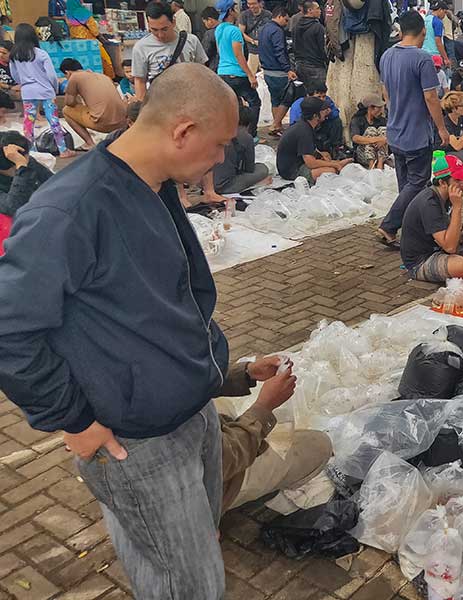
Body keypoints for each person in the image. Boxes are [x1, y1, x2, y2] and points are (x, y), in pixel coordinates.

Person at [0, 63, 241, 599]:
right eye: (220, 143)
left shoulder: (152, 184)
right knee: (190, 585)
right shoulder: (73, 207)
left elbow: (162, 300)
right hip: (135, 437)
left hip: (187, 412)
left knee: (173, 562)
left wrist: (221, 369)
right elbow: (9, 328)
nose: (223, 158)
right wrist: (71, 418)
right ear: (182, 132)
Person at [215, 355, 332, 513]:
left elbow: (191, 380)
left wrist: (247, 372)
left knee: (221, 404)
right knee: (318, 445)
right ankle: (211, 512)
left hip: (206, 445)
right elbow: (221, 457)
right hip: (206, 480)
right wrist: (262, 408)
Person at [377, 11, 450, 248]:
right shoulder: (422, 59)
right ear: (423, 32)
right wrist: (442, 128)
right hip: (416, 134)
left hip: (395, 130)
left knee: (405, 185)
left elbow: (386, 93)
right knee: (417, 183)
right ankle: (389, 226)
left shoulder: (387, 55)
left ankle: (412, 230)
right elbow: (431, 97)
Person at [401, 151, 463, 282]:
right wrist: (458, 207)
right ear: (442, 183)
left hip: (442, 247)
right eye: (458, 180)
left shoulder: (447, 194)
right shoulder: (429, 203)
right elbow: (450, 247)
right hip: (422, 261)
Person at [10, 25, 71, 158]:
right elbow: (51, 75)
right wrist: (54, 88)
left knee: (28, 121)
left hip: (27, 91)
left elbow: (14, 75)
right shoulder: (41, 53)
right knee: (53, 120)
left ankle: (31, 151)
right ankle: (63, 150)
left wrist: (24, 83)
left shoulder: (14, 55)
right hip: (45, 90)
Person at [133, 1, 208, 100]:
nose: (160, 35)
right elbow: (139, 81)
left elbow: (202, 72)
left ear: (173, 22)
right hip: (160, 104)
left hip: (191, 101)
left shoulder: (191, 41)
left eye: (164, 29)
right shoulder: (141, 47)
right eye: (154, 30)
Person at [213, 0, 261, 138]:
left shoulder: (219, 29)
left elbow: (220, 52)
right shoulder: (235, 31)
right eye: (235, 7)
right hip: (237, 74)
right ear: (231, 11)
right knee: (255, 102)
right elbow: (238, 54)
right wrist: (250, 74)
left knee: (232, 105)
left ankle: (231, 134)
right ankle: (251, 135)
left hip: (222, 73)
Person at [276, 96, 352, 182]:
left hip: (299, 162)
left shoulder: (305, 125)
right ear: (315, 115)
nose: (327, 112)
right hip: (291, 171)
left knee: (326, 156)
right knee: (331, 171)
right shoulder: (304, 131)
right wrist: (334, 165)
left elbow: (307, 150)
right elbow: (310, 163)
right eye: (323, 111)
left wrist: (322, 155)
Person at [0, 132, 54, 253]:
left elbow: (54, 183)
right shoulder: (21, 165)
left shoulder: (26, 161)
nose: (28, 160)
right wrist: (22, 169)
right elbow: (14, 207)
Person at [59, 58, 127, 150]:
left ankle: (89, 143)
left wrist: (74, 93)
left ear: (67, 73)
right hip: (122, 122)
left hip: (103, 123)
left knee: (66, 110)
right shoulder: (103, 76)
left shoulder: (75, 77)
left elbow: (69, 102)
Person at [212, 106, 271, 194]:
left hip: (207, 184)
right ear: (249, 123)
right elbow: (249, 168)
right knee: (262, 168)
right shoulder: (246, 137)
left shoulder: (218, 131)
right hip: (226, 186)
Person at [259, 6, 296, 137]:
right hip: (278, 71)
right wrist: (288, 69)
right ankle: (275, 124)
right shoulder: (277, 31)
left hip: (267, 70)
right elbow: (279, 51)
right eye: (286, 20)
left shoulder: (263, 29)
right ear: (280, 16)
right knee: (286, 99)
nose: (286, 24)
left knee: (275, 99)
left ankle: (277, 126)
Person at [287, 82, 344, 157]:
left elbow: (335, 113)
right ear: (308, 96)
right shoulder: (298, 105)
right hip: (307, 130)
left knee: (336, 121)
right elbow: (296, 125)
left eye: (323, 96)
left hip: (320, 127)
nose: (322, 99)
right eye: (318, 97)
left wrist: (328, 114)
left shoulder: (326, 101)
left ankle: (335, 147)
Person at [349, 93, 389, 170]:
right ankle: (372, 165)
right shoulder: (357, 120)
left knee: (383, 129)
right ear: (370, 108)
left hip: (379, 153)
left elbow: (390, 135)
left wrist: (384, 140)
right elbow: (355, 138)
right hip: (363, 154)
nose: (381, 111)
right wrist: (376, 139)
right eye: (379, 108)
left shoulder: (382, 120)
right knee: (371, 130)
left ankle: (380, 164)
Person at [293, 0, 328, 86]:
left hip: (300, 66)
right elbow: (323, 48)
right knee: (319, 93)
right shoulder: (318, 27)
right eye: (318, 9)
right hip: (315, 66)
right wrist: (327, 60)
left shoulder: (296, 26)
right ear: (309, 10)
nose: (320, 11)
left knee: (306, 94)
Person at [239, 0, 270, 74]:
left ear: (260, 3)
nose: (251, 6)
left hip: (266, 51)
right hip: (252, 51)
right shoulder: (244, 15)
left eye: (254, 4)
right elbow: (241, 33)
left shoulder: (268, 14)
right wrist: (253, 41)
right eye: (249, 4)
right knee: (251, 76)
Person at [424, 1, 453, 67]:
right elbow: (438, 42)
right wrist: (446, 58)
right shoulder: (437, 22)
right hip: (434, 55)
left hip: (424, 53)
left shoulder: (425, 20)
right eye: (445, 12)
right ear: (440, 10)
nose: (445, 15)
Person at [200, 6, 221, 72]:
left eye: (205, 22)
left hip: (215, 67)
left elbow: (204, 54)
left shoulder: (209, 34)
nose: (205, 25)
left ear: (210, 20)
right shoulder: (227, 29)